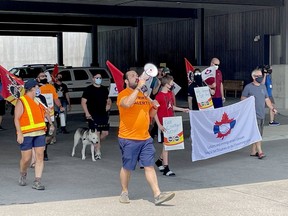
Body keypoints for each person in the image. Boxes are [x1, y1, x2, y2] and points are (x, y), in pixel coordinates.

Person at [117, 70, 175, 205]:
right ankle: (124, 192)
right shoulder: (123, 94)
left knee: (149, 166)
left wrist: (155, 106)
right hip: (128, 138)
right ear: (126, 81)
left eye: (137, 75)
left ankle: (157, 195)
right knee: (127, 167)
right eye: (132, 76)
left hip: (145, 138)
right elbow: (127, 104)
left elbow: (151, 113)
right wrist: (138, 88)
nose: (136, 77)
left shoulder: (144, 95)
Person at [14, 79, 54, 190]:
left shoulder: (38, 100)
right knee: (26, 159)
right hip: (26, 134)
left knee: (39, 157)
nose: (38, 89)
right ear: (32, 88)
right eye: (37, 87)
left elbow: (45, 114)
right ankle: (23, 173)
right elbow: (16, 119)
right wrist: (19, 133)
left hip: (40, 133)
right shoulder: (21, 101)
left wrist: (51, 123)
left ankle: (37, 181)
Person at [154, 74, 189, 176]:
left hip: (171, 122)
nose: (173, 84)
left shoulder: (169, 94)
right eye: (171, 82)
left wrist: (183, 109)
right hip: (163, 123)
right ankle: (166, 168)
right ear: (167, 84)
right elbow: (154, 111)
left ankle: (160, 161)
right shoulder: (159, 96)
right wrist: (159, 125)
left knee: (168, 145)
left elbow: (171, 107)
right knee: (167, 145)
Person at [241, 68, 277, 159]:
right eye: (258, 76)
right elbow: (242, 99)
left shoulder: (263, 87)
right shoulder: (248, 87)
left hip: (261, 114)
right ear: (253, 77)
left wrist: (272, 108)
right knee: (257, 133)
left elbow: (267, 99)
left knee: (259, 134)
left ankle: (253, 151)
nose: (260, 77)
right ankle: (260, 152)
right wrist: (250, 99)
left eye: (261, 76)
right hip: (253, 114)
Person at [81, 71, 112, 160]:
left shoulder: (104, 89)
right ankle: (98, 152)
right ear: (93, 79)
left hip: (103, 114)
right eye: (97, 78)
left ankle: (94, 143)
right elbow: (83, 102)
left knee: (105, 133)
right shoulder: (88, 89)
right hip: (93, 114)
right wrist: (87, 113)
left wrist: (108, 105)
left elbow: (108, 99)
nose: (99, 79)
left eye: (100, 78)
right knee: (97, 132)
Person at [36, 71, 64, 161]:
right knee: (40, 135)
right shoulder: (35, 88)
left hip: (50, 115)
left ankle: (44, 149)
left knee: (50, 134)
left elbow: (55, 98)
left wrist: (60, 106)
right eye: (41, 76)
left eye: (44, 76)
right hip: (39, 116)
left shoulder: (51, 87)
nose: (44, 77)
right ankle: (42, 153)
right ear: (38, 79)